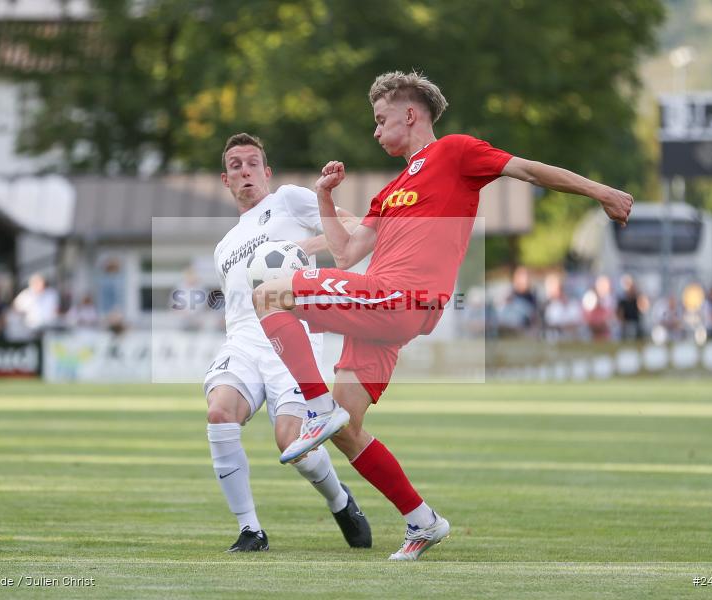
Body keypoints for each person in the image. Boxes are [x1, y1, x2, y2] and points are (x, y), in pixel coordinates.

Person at [251, 70, 633, 560]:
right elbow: (345, 254)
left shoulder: (455, 151)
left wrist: (602, 192)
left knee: (268, 295)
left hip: (399, 296)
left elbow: (530, 171)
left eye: (381, 119)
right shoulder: (391, 191)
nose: (375, 130)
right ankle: (422, 520)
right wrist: (325, 197)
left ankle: (316, 406)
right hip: (382, 308)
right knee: (346, 429)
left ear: (410, 115)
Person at [205, 133, 371, 553]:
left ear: (267, 172)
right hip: (243, 340)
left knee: (291, 441)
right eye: (236, 166)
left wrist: (301, 249)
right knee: (219, 412)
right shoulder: (223, 247)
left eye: (252, 163)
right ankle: (250, 530)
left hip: (292, 336)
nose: (245, 171)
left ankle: (340, 500)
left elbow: (355, 227)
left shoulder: (288, 200)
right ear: (226, 180)